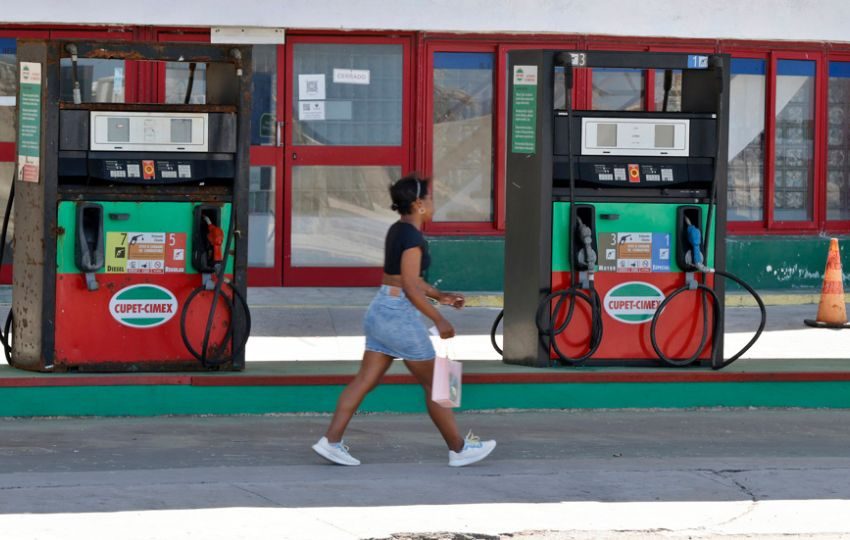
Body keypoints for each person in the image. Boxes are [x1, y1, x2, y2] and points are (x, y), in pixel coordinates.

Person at [312, 174, 496, 467]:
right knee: (440, 382)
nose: (435, 204)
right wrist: (440, 320)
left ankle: (331, 442)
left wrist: (440, 296)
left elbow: (407, 279)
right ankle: (460, 449)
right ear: (418, 204)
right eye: (431, 199)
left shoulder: (397, 230)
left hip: (380, 310)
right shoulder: (413, 238)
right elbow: (410, 286)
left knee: (364, 381)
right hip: (398, 314)